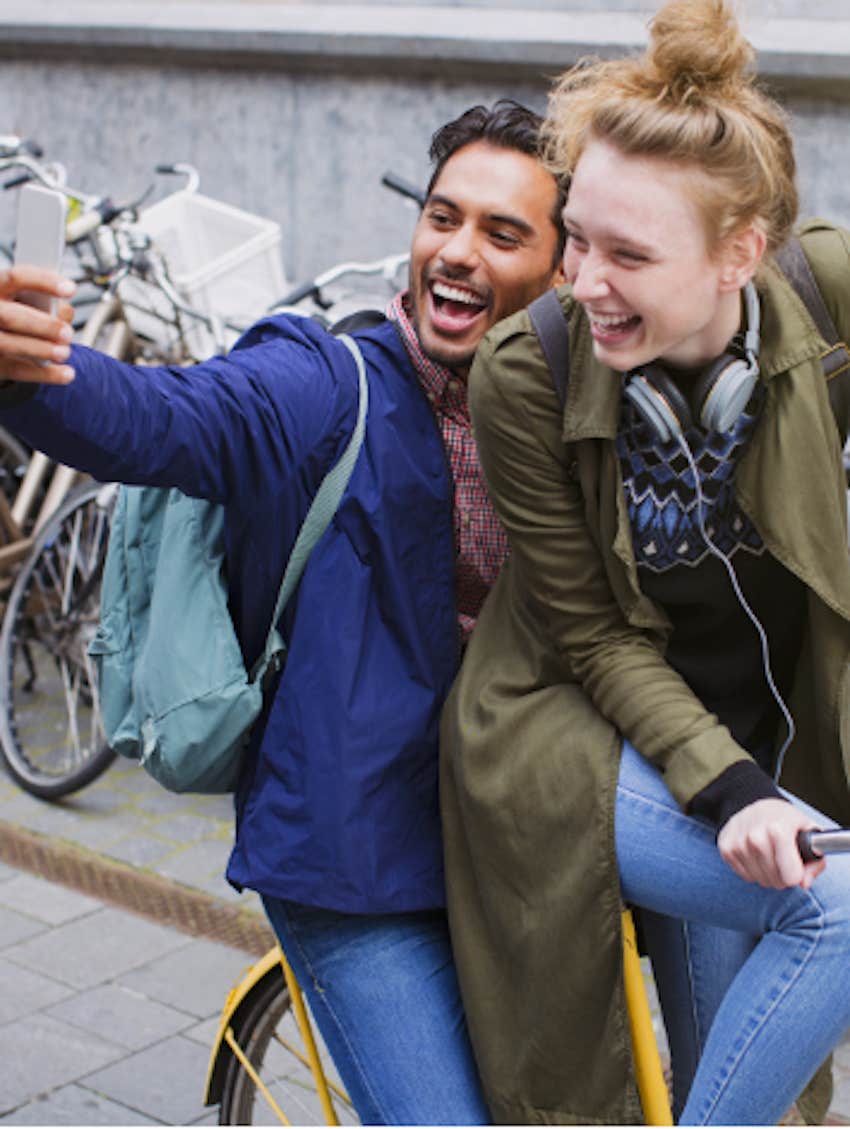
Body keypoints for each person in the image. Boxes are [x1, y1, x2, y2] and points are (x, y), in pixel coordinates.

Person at [0, 101, 565, 1125]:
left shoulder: (568, 405)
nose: (458, 252)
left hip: (509, 841)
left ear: (564, 269)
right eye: (443, 217)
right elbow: (162, 419)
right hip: (353, 853)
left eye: (503, 232)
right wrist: (34, 369)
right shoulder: (323, 384)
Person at [439, 3, 850, 1125]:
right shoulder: (528, 370)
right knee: (838, 911)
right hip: (569, 729)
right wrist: (729, 791)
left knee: (740, 1070)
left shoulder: (823, 297)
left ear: (740, 255)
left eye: (628, 253)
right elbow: (593, 634)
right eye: (577, 238)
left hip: (751, 738)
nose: (585, 280)